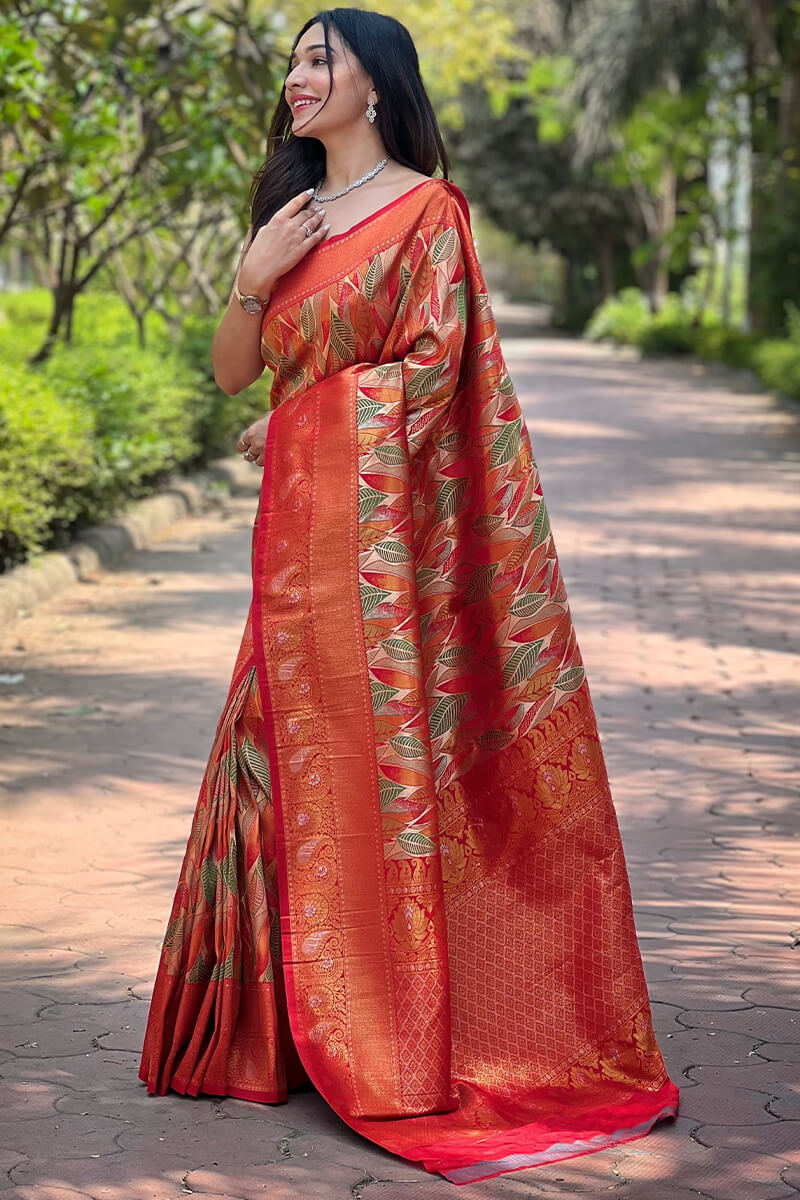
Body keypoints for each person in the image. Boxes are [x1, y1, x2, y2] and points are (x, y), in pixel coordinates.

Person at [137, 7, 680, 1185]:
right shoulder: (287, 219)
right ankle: (266, 1034)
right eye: (290, 60)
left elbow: (435, 382)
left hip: (383, 571)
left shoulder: (426, 214)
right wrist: (249, 278)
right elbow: (242, 367)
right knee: (267, 766)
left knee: (368, 775)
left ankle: (396, 1031)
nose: (295, 77)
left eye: (318, 58)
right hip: (297, 565)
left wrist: (306, 426)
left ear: (377, 82)